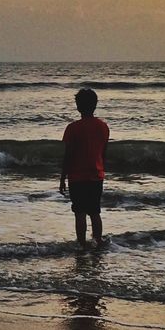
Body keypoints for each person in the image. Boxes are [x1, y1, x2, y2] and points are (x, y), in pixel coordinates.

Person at [59, 88, 109, 247]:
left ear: (78, 106)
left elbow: (68, 155)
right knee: (95, 212)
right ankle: (98, 240)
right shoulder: (103, 127)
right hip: (96, 175)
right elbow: (103, 152)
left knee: (79, 213)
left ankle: (81, 243)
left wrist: (62, 178)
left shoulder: (73, 128)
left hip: (77, 177)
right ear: (94, 105)